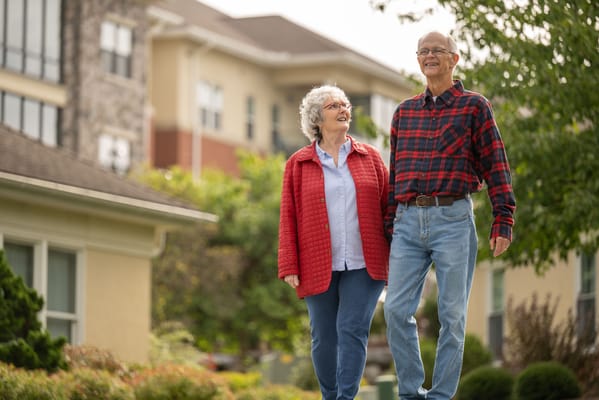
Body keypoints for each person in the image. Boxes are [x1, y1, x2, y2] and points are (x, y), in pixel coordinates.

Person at [383, 31, 516, 400]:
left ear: (454, 59)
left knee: (452, 317)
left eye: (437, 51)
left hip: (453, 219)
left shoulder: (475, 107)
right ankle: (411, 393)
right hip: (408, 221)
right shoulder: (404, 113)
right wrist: (389, 224)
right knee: (395, 311)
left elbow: (496, 165)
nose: (429, 56)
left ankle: (440, 396)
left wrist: (503, 217)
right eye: (423, 51)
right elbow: (396, 174)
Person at [278, 84, 389, 400]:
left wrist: (402, 253)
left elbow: (388, 207)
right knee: (323, 336)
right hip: (316, 262)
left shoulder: (370, 158)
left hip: (365, 262)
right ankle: (330, 396)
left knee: (351, 330)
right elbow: (288, 215)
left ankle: (345, 398)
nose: (343, 110)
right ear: (316, 118)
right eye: (333, 106)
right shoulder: (297, 164)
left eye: (345, 104)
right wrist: (289, 263)